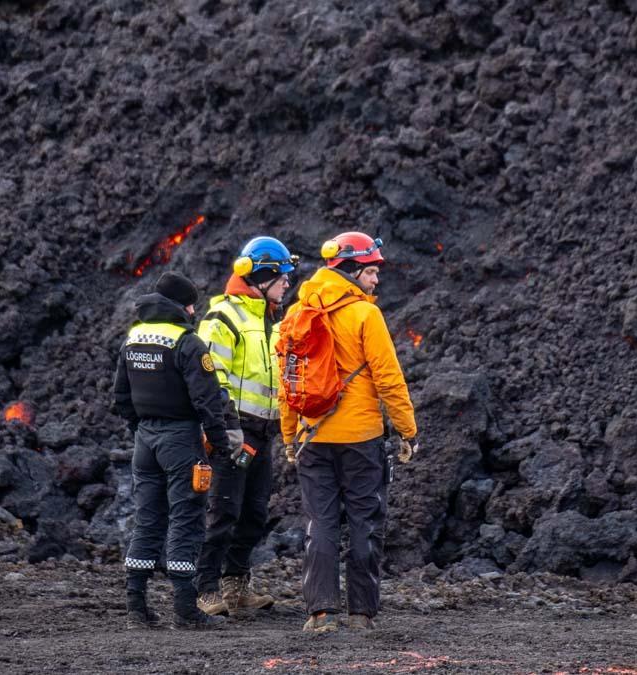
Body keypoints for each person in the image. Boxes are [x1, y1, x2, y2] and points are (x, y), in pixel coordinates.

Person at [280, 231, 419, 633]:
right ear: (352, 270)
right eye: (372, 272)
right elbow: (389, 378)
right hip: (361, 439)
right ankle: (360, 614)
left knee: (320, 523)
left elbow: (287, 384)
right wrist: (407, 430)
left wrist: (290, 437)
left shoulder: (296, 314)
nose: (376, 280)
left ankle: (320, 613)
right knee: (364, 522)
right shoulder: (365, 315)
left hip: (312, 438)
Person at [111, 271, 241, 630]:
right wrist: (218, 441)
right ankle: (185, 609)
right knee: (186, 518)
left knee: (147, 518)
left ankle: (136, 606)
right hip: (181, 440)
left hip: (145, 441)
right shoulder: (188, 342)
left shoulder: (133, 339)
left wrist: (140, 429)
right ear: (184, 306)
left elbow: (120, 397)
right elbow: (207, 400)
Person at [194, 236, 297, 616]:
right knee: (222, 512)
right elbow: (210, 379)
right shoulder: (224, 319)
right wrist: (226, 428)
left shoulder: (272, 323)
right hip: (232, 434)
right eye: (282, 276)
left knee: (254, 514)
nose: (288, 283)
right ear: (261, 277)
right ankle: (204, 590)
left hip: (263, 433)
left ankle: (236, 588)